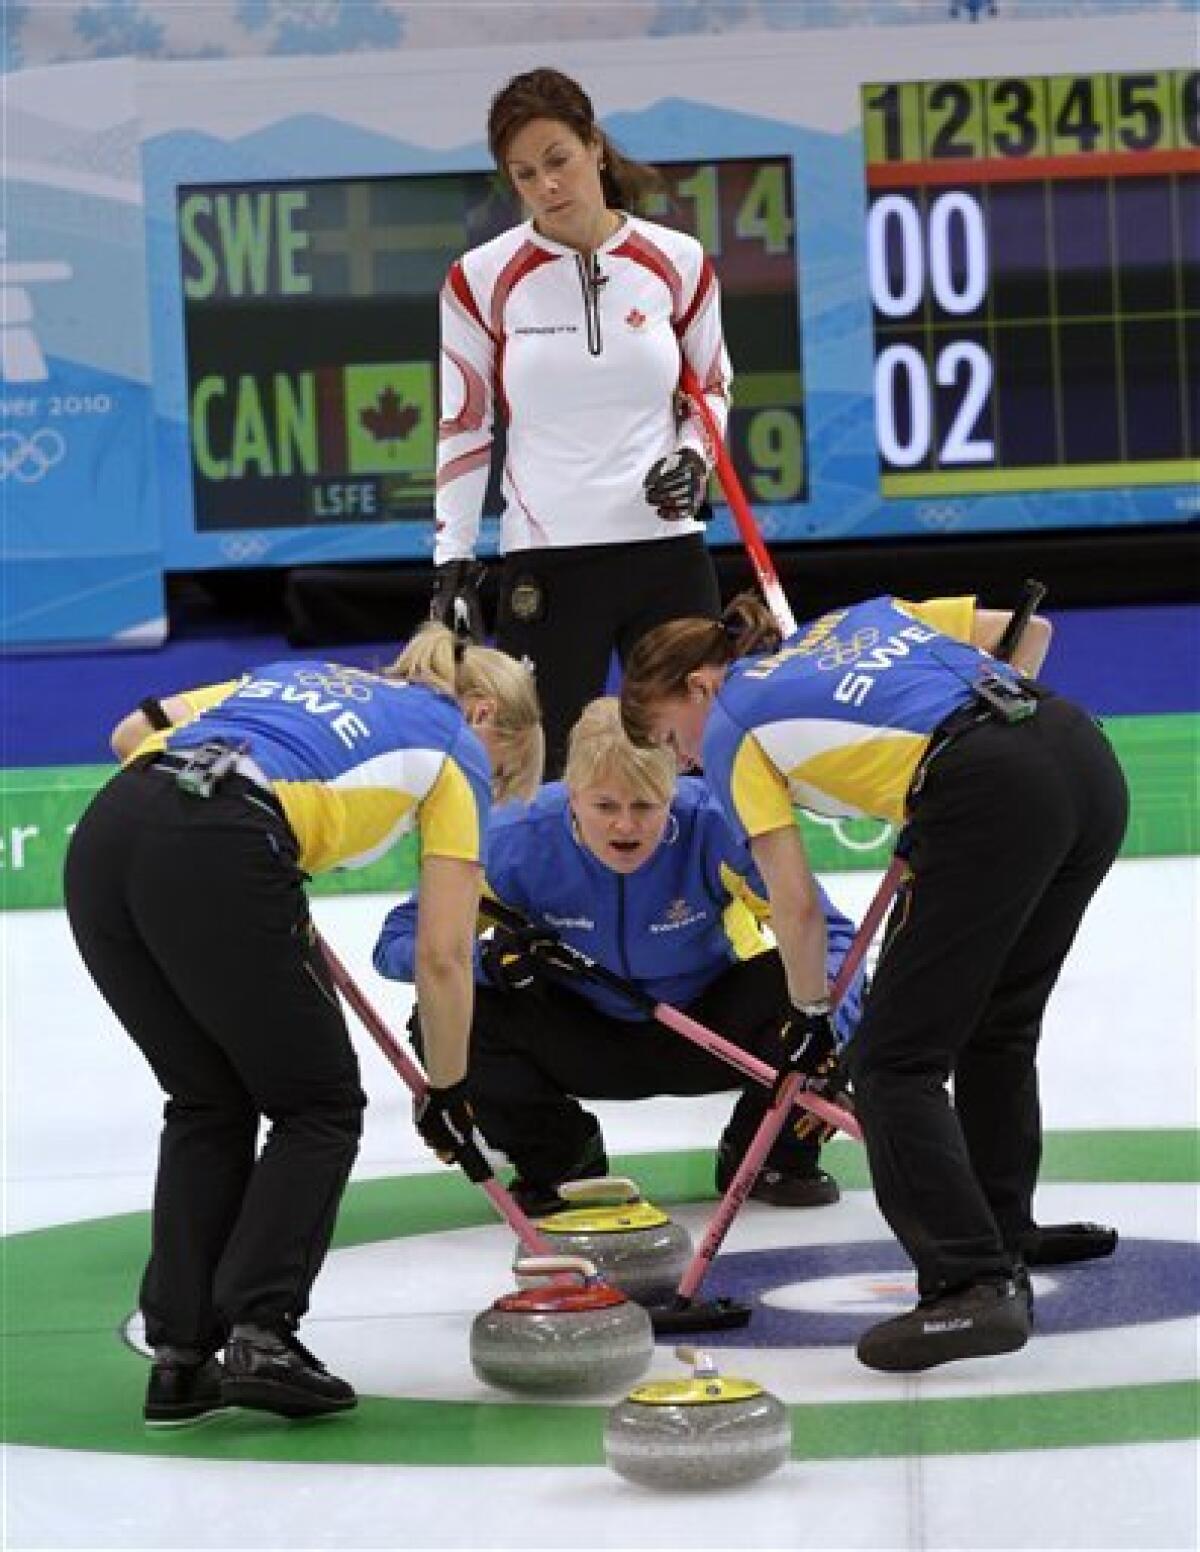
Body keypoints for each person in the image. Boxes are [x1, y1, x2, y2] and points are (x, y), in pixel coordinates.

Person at [618, 591, 1128, 1373]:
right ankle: (1002, 1227)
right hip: (1082, 757)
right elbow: (1033, 635)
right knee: (997, 1022)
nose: (684, 759)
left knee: (889, 1064)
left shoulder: (730, 725)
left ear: (698, 686)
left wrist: (810, 1009)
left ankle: (971, 1281)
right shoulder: (856, 618)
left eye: (667, 737)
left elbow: (792, 902)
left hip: (988, 792)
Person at [64, 627, 541, 1425]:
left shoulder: (302, 672)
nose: (486, 787)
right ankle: (263, 1334)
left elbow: (130, 735)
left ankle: (181, 1361)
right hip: (224, 842)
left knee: (208, 1098)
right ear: (485, 713)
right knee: (318, 1104)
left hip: (109, 835)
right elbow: (446, 955)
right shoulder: (455, 745)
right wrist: (450, 1089)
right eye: (501, 773)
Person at [373, 697, 866, 1216]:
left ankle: (769, 1151)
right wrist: (484, 959)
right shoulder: (510, 837)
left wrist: (824, 1020)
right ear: (571, 796)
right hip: (576, 1033)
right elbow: (397, 943)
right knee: (445, 1019)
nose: (625, 827)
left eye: (646, 805)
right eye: (604, 806)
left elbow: (834, 937)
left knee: (833, 990)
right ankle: (561, 1160)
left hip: (707, 1029)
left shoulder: (719, 823)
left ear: (673, 789)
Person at [431, 65, 729, 776]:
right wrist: (452, 560)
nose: (547, 186)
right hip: (548, 562)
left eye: (559, 160)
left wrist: (695, 461)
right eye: (525, 174)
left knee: (692, 762)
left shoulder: (676, 262)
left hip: (668, 553)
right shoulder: (479, 279)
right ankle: (542, 894)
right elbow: (464, 425)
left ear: (595, 146)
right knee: (544, 769)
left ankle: (710, 891)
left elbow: (712, 386)